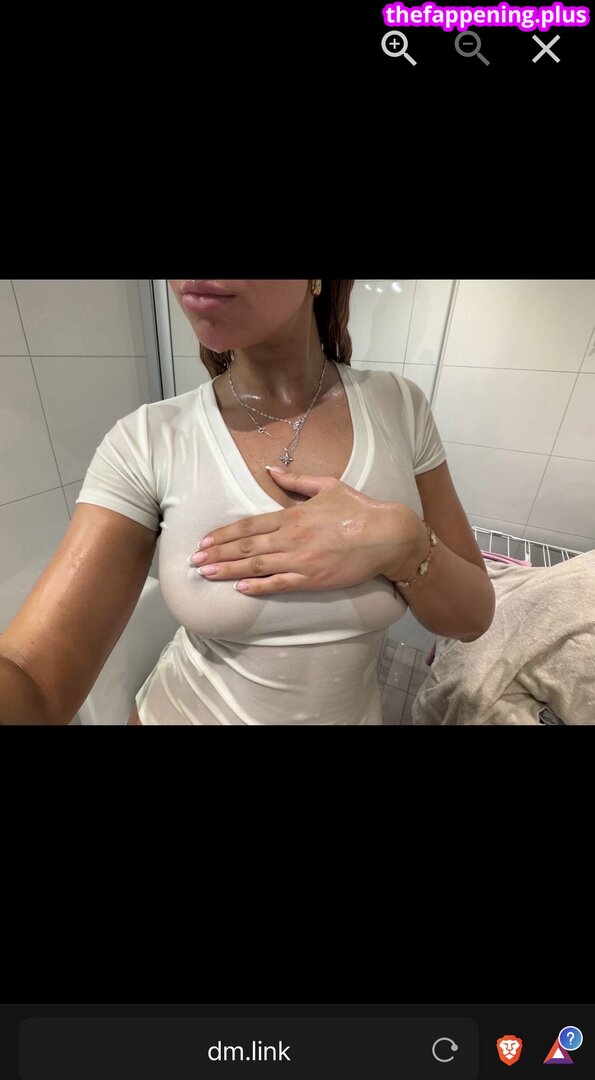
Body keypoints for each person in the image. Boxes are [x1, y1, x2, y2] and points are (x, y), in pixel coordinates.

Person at [0, 280, 495, 725]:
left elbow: (473, 618)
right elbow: (33, 675)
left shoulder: (399, 407)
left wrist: (405, 544)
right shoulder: (147, 441)